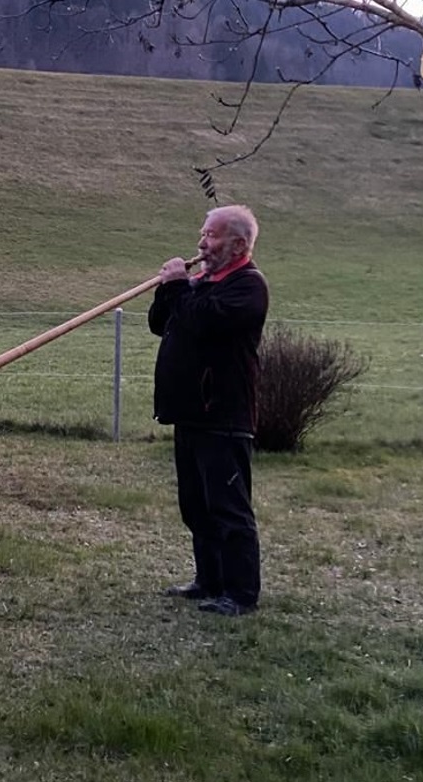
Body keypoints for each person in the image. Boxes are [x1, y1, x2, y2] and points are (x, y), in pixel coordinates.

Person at [148, 205, 269, 617]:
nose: (202, 243)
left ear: (238, 244)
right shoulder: (202, 282)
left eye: (211, 236)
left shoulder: (248, 286)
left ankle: (240, 594)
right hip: (189, 414)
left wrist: (182, 287)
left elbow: (204, 322)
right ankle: (209, 581)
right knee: (196, 505)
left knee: (228, 509)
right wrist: (168, 287)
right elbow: (160, 322)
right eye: (202, 234)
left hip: (223, 416)